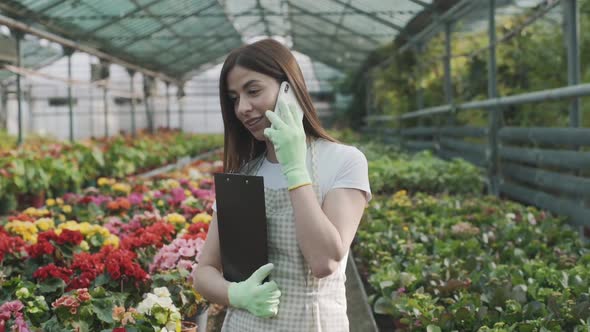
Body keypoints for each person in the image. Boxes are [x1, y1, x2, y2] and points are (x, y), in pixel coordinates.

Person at [193, 38, 371, 331]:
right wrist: (236, 294)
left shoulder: (344, 161)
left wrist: (295, 169)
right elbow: (204, 272)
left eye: (253, 91)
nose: (242, 108)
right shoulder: (244, 175)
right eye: (234, 98)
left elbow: (324, 261)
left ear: (289, 88)